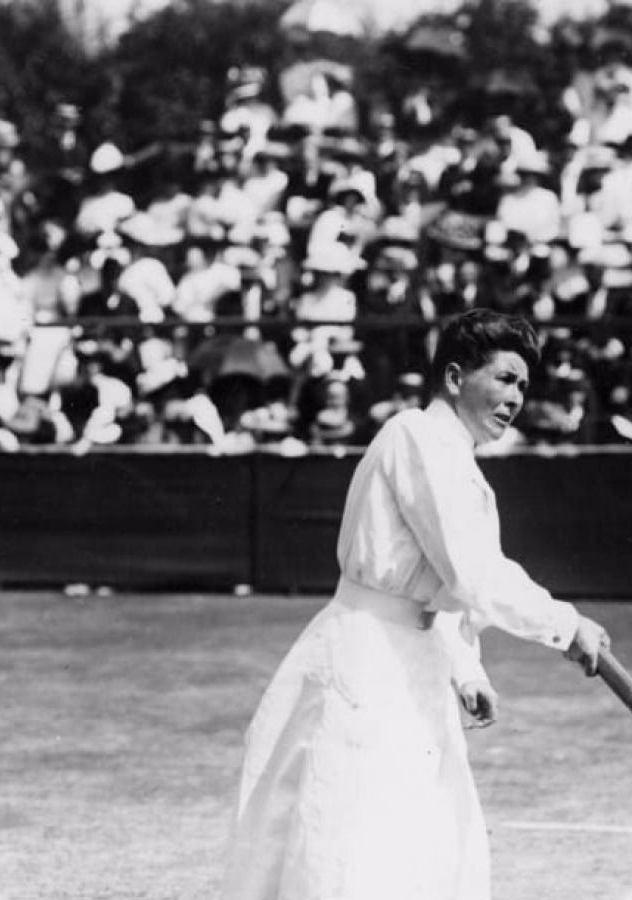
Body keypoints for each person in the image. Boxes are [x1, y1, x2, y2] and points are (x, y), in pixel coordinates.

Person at [220, 309, 611, 900]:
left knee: (425, 833)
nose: (515, 399)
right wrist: (566, 624)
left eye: (524, 387)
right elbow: (473, 572)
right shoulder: (417, 436)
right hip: (365, 661)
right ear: (455, 378)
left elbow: (437, 581)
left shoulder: (451, 454)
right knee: (353, 837)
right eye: (505, 379)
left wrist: (464, 665)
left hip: (410, 660)